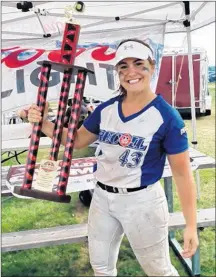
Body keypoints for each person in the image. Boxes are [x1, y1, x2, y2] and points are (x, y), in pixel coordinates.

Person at [27, 38, 199, 276]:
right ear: (117, 72)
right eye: (123, 66)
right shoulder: (106, 109)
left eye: (139, 64)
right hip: (102, 198)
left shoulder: (166, 117)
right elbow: (75, 141)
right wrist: (44, 122)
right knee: (102, 268)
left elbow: (182, 174)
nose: (131, 72)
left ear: (153, 67)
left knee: (159, 271)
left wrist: (191, 225)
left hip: (142, 202)